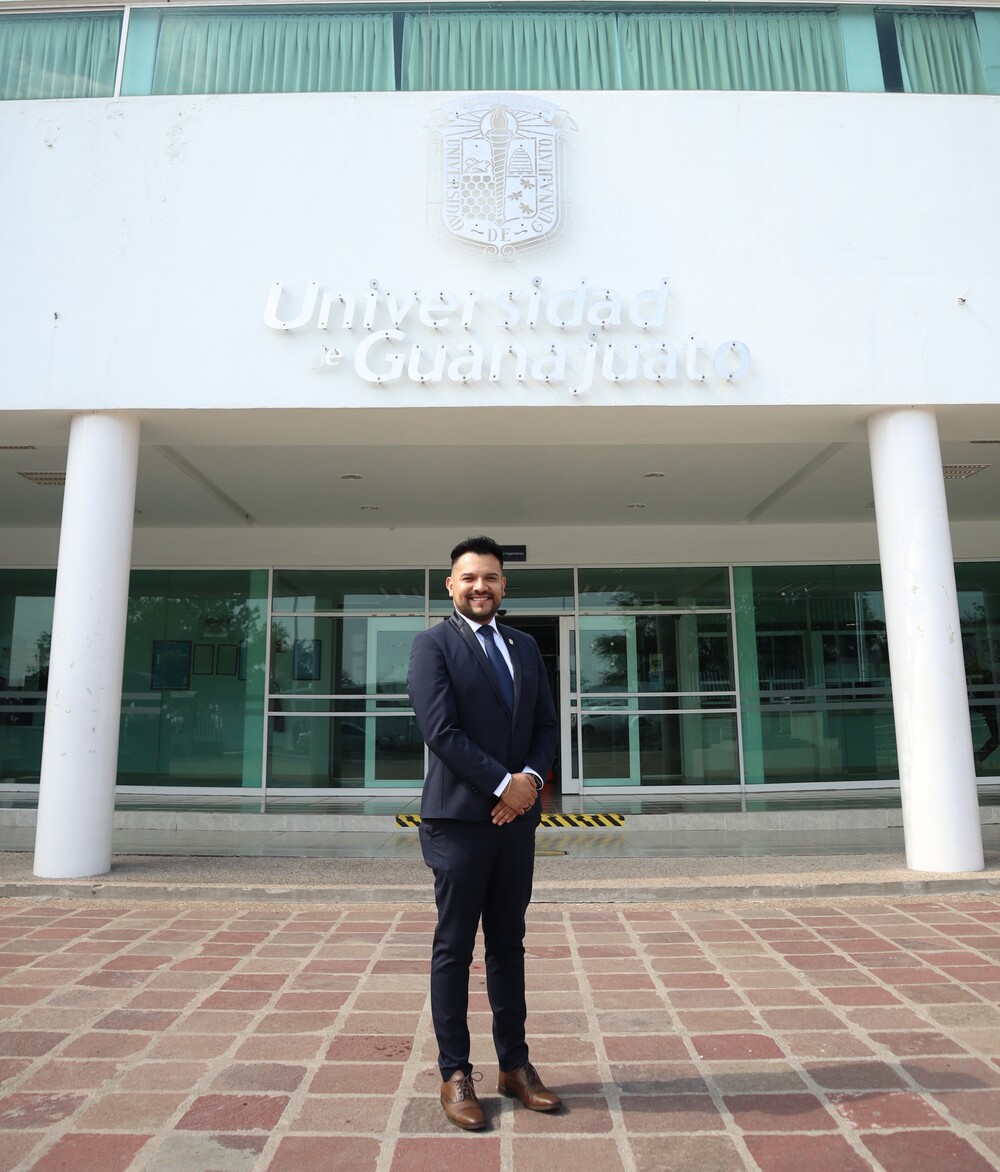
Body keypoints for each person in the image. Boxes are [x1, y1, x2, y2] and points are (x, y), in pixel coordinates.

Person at [407, 535, 560, 1131]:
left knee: (508, 945)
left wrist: (528, 780)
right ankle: (454, 1072)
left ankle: (514, 1067)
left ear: (503, 585)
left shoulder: (524, 646)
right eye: (469, 577)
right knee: (454, 948)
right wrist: (504, 785)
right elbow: (440, 731)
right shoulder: (432, 646)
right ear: (451, 585)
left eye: (491, 577)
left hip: (514, 825)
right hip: (460, 822)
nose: (480, 586)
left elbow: (546, 724)